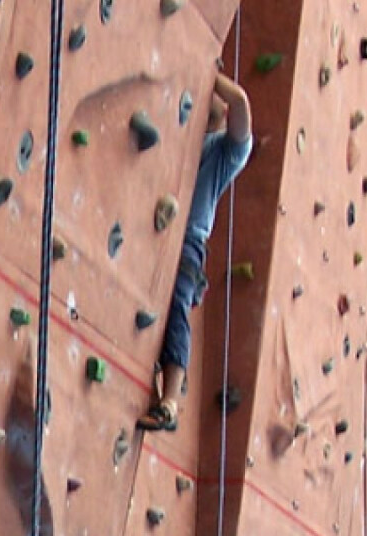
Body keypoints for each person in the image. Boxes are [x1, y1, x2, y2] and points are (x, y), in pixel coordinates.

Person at [136, 71, 253, 432]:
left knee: (177, 305)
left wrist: (207, 70)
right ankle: (155, 393)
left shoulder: (227, 152)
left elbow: (240, 102)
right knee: (148, 308)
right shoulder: (185, 138)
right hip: (157, 233)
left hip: (189, 239)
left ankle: (171, 400)